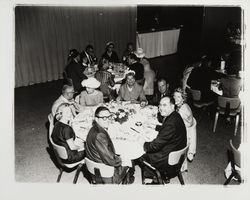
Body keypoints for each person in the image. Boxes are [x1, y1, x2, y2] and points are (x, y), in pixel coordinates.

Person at [140, 96, 187, 183]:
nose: (161, 108)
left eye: (164, 105)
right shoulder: (175, 115)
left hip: (168, 160)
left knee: (140, 155)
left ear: (172, 106)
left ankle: (157, 178)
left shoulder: (171, 123)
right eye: (160, 105)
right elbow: (168, 129)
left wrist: (142, 144)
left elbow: (154, 146)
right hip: (177, 152)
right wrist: (155, 126)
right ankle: (162, 176)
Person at [85, 106, 134, 184]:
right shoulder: (100, 135)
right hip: (105, 175)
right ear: (96, 119)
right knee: (129, 158)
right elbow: (110, 161)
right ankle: (128, 179)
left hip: (94, 167)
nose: (107, 120)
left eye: (109, 117)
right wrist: (121, 159)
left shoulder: (93, 129)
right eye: (104, 118)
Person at [173, 88, 196, 162]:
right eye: (174, 96)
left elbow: (174, 124)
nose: (175, 99)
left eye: (178, 97)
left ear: (183, 98)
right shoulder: (184, 105)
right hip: (189, 127)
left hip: (186, 132)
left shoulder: (182, 110)